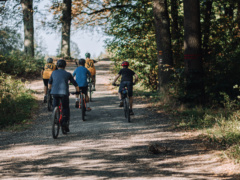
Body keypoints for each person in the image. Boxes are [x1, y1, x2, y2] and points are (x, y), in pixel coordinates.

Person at [48, 59, 79, 132]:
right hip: (64, 93)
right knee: (65, 107)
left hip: (54, 93)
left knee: (55, 105)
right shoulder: (68, 74)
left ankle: (54, 116)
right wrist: (77, 91)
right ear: (65, 66)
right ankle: (64, 121)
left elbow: (49, 84)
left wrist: (49, 91)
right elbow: (75, 84)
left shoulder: (53, 73)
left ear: (57, 66)